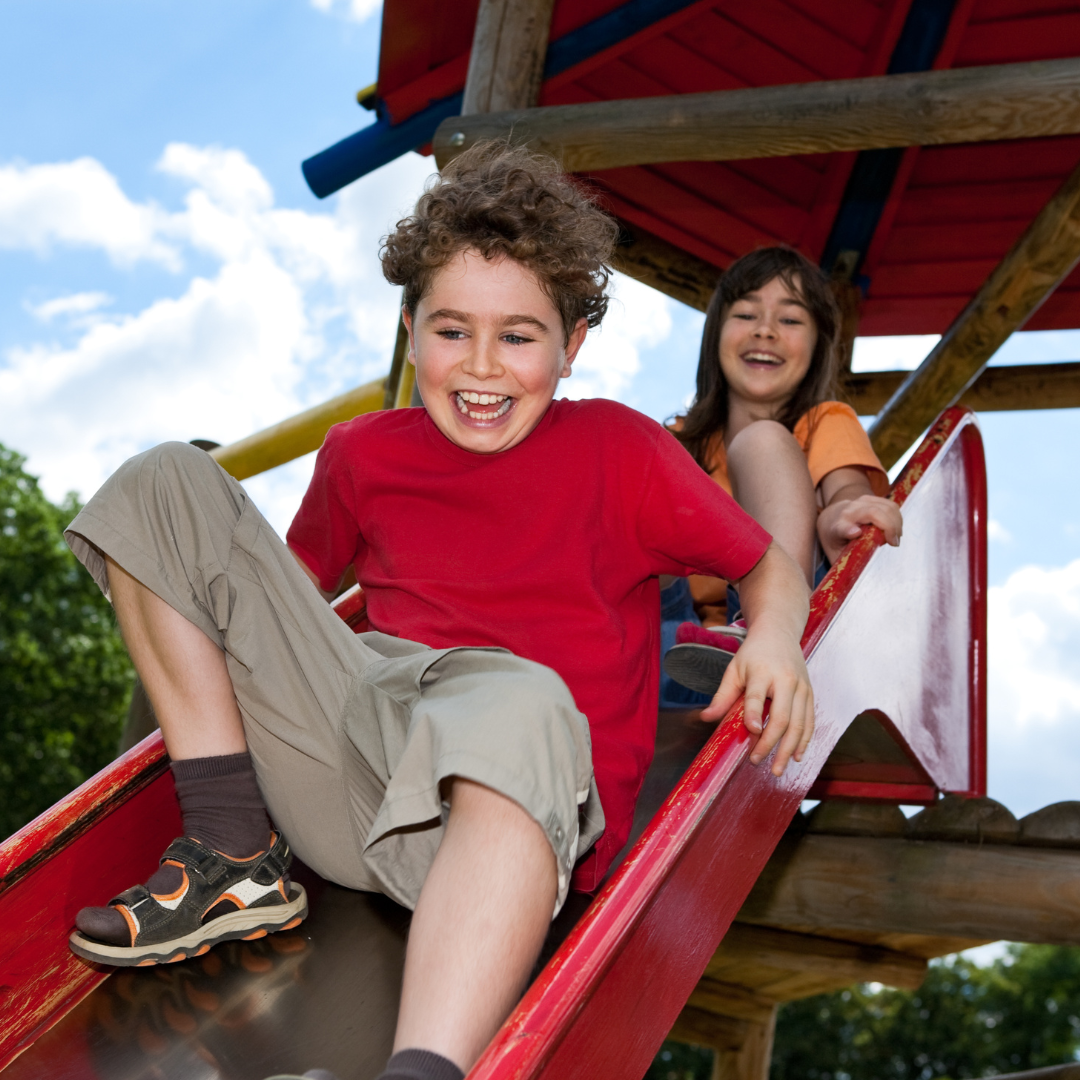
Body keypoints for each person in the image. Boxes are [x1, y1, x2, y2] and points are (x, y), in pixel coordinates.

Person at [63, 144, 815, 1080]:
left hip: (513, 809)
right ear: (410, 328)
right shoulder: (363, 454)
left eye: (520, 336)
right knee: (162, 480)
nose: (482, 368)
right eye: (452, 332)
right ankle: (230, 853)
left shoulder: (619, 451)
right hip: (356, 776)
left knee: (517, 696)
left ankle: (424, 1069)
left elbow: (767, 565)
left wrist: (777, 633)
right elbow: (273, 615)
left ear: (572, 345)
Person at [660, 246, 903, 701]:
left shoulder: (823, 422)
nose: (766, 331)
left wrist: (840, 514)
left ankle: (763, 626)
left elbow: (846, 489)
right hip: (672, 643)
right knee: (634, 471)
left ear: (818, 346)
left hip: (786, 626)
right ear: (716, 334)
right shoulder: (676, 442)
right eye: (747, 314)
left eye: (790, 320)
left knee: (763, 440)